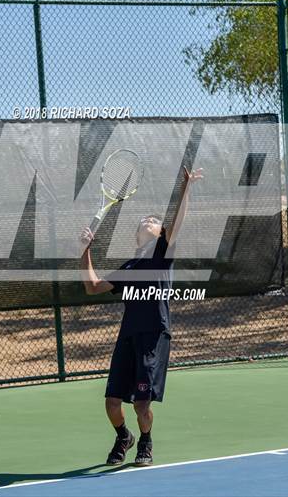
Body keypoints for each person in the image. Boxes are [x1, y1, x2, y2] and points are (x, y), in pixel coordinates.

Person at [80, 166, 203, 467]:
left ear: (160, 233)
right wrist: (84, 252)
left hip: (154, 334)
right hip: (129, 336)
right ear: (137, 235)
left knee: (141, 403)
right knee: (111, 403)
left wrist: (185, 188)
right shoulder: (129, 267)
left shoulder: (162, 252)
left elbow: (177, 222)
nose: (148, 220)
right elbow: (92, 286)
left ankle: (145, 442)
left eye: (154, 220)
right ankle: (124, 436)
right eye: (144, 221)